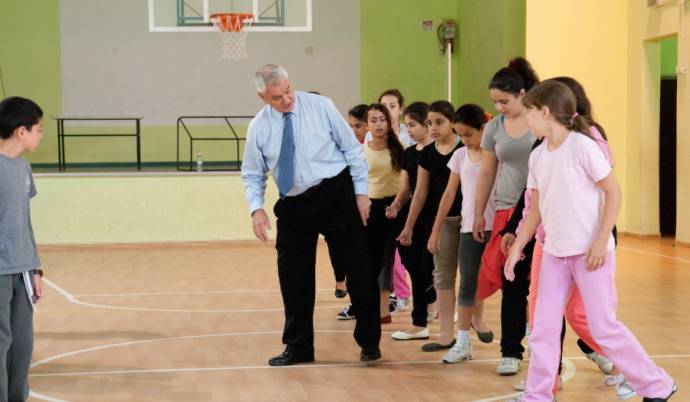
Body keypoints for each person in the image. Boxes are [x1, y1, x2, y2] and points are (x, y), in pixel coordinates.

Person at [504, 80, 676, 402]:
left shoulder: (583, 146)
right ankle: (537, 394)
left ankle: (658, 385)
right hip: (555, 254)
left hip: (590, 254)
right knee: (542, 328)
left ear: (545, 111)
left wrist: (600, 240)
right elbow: (536, 208)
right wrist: (518, 246)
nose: (525, 121)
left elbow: (613, 191)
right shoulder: (538, 156)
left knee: (604, 328)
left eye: (529, 114)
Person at [241, 64, 381, 365]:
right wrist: (256, 210)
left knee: (359, 268)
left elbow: (352, 150)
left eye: (288, 90)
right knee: (293, 277)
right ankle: (299, 347)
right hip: (293, 204)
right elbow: (253, 173)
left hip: (336, 193)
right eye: (277, 97)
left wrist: (361, 194)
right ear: (262, 97)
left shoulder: (321, 106)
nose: (287, 100)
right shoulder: (259, 128)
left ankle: (369, 341)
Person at [473, 57, 539, 375]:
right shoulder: (495, 127)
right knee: (511, 282)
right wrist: (478, 214)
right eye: (495, 102)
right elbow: (487, 171)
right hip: (506, 210)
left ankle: (583, 347)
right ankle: (510, 350)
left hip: (538, 211)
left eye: (505, 101)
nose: (499, 107)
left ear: (523, 93)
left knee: (541, 282)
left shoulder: (541, 119)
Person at [426, 104, 495, 363]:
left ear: (482, 129)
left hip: (495, 226)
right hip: (469, 228)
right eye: (460, 135)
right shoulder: (460, 156)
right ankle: (463, 342)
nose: (464, 140)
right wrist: (435, 229)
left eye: (468, 134)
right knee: (467, 284)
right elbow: (449, 194)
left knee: (508, 284)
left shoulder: (494, 153)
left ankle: (520, 343)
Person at [397, 100, 463, 352]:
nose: (433, 128)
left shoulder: (463, 148)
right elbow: (420, 192)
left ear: (451, 121)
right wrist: (409, 226)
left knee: (469, 278)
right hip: (440, 221)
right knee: (441, 276)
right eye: (430, 123)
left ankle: (471, 323)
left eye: (439, 122)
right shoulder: (426, 154)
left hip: (466, 218)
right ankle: (446, 335)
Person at [0, 96, 45, 401]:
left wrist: (36, 267)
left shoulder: (23, 167)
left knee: (22, 345)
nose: (41, 135)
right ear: (21, 131)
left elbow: (24, 221)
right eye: (38, 129)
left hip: (23, 269)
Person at [386, 102, 438, 339]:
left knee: (424, 267)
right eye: (407, 126)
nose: (409, 130)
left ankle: (422, 318)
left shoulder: (436, 152)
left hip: (432, 215)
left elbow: (424, 192)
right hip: (413, 213)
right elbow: (407, 188)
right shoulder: (409, 153)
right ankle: (426, 308)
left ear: (427, 122)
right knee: (413, 265)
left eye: (413, 125)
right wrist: (397, 204)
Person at [361, 103, 405, 323]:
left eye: (382, 119)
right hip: (371, 207)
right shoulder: (362, 149)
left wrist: (397, 204)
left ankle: (384, 311)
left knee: (392, 259)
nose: (379, 124)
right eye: (374, 120)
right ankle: (370, 307)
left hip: (396, 207)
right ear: (367, 124)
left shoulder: (399, 147)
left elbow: (407, 182)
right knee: (372, 259)